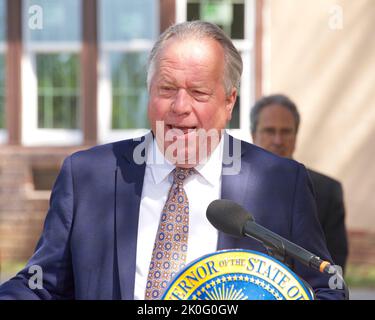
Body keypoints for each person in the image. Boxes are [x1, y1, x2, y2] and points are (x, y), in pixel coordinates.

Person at [0, 22, 345, 300]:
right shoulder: (87, 176)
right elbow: (42, 285)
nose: (180, 107)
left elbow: (325, 288)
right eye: (166, 89)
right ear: (149, 92)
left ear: (228, 102)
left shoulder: (282, 184)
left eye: (198, 92)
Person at [250, 94, 348, 272]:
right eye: (270, 131)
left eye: (286, 132)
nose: (278, 140)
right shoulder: (232, 185)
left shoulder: (327, 191)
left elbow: (336, 264)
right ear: (253, 134)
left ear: (296, 136)